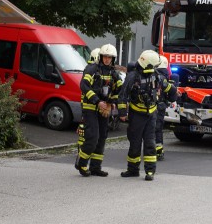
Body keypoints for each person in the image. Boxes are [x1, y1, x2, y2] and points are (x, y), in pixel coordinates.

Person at [118, 50, 176, 181]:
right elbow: (123, 94)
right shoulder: (133, 77)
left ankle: (150, 171)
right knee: (135, 143)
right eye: (154, 66)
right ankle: (132, 170)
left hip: (151, 114)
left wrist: (172, 97)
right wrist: (122, 113)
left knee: (150, 142)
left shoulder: (157, 76)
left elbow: (169, 88)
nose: (155, 68)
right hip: (136, 114)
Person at [75, 44, 122, 177]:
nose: (107, 59)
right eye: (105, 57)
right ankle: (82, 163)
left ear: (113, 59)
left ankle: (96, 167)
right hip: (90, 107)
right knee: (92, 137)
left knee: (102, 137)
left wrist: (111, 103)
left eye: (110, 57)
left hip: (104, 108)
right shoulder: (92, 69)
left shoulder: (113, 73)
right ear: (101, 57)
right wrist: (97, 101)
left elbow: (119, 89)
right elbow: (84, 86)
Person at [154, 55, 177, 161]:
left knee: (150, 128)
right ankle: (159, 150)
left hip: (150, 106)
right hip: (161, 106)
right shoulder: (165, 78)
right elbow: (172, 95)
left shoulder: (152, 75)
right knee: (158, 128)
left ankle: (153, 149)